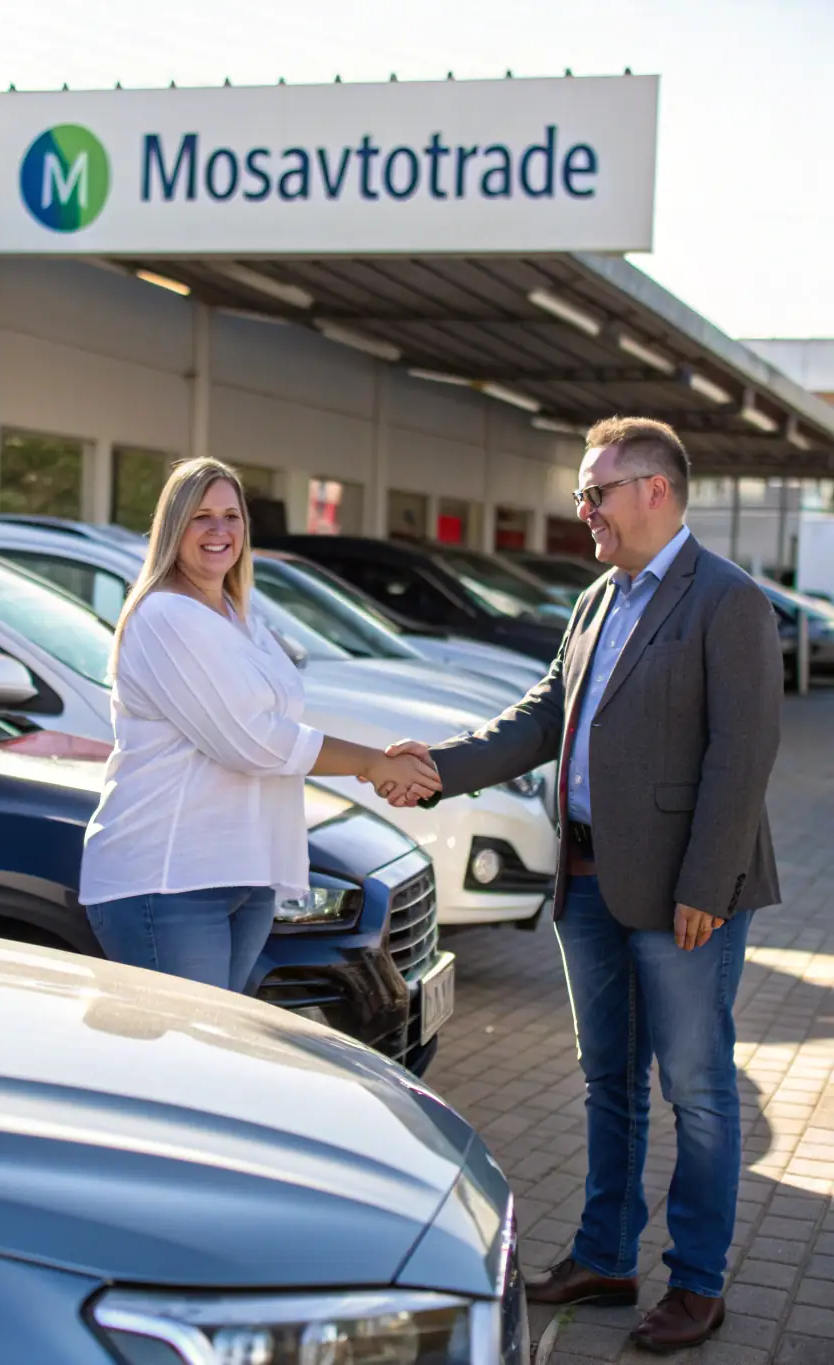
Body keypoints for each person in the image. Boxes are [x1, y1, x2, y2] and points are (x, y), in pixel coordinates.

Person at [378, 416, 784, 1354]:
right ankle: (605, 1254)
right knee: (610, 1081)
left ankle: (699, 1283)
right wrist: (436, 765)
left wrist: (706, 885)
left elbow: (744, 754)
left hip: (686, 891)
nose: (584, 510)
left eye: (595, 492)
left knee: (697, 1087)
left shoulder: (728, 601)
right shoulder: (598, 596)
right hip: (590, 880)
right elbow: (543, 716)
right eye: (582, 494)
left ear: (656, 490)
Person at [79, 456, 440, 996]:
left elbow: (277, 719)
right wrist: (372, 763)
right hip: (169, 880)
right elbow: (252, 741)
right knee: (189, 1060)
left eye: (231, 515)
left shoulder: (236, 611)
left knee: (223, 1055)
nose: (219, 530)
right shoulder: (166, 616)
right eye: (201, 516)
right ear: (173, 526)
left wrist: (384, 763)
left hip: (242, 873)